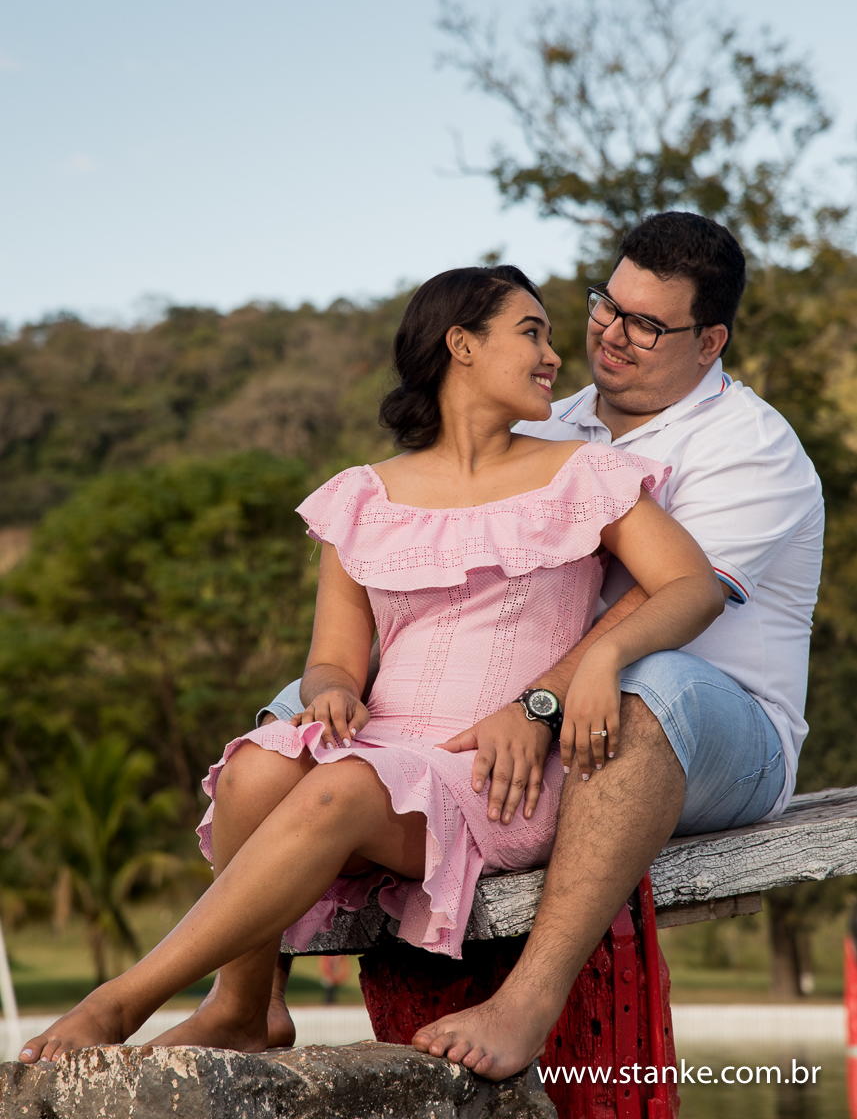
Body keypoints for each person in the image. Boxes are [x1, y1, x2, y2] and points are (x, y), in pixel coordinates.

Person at [20, 264, 725, 1064]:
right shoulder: (362, 497)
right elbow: (331, 661)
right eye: (531, 332)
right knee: (254, 767)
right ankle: (246, 1007)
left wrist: (584, 675)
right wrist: (328, 698)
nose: (552, 357)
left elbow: (690, 586)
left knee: (344, 788)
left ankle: (118, 1003)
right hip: (382, 749)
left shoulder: (581, 475)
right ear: (461, 345)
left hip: (497, 770)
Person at [409, 212, 825, 1078]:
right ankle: (244, 995)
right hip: (558, 726)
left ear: (708, 341)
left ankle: (528, 1000)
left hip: (720, 737)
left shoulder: (750, 448)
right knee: (318, 698)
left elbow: (671, 599)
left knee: (654, 681)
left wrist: (536, 700)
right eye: (606, 304)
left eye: (647, 324)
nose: (610, 334)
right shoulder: (549, 426)